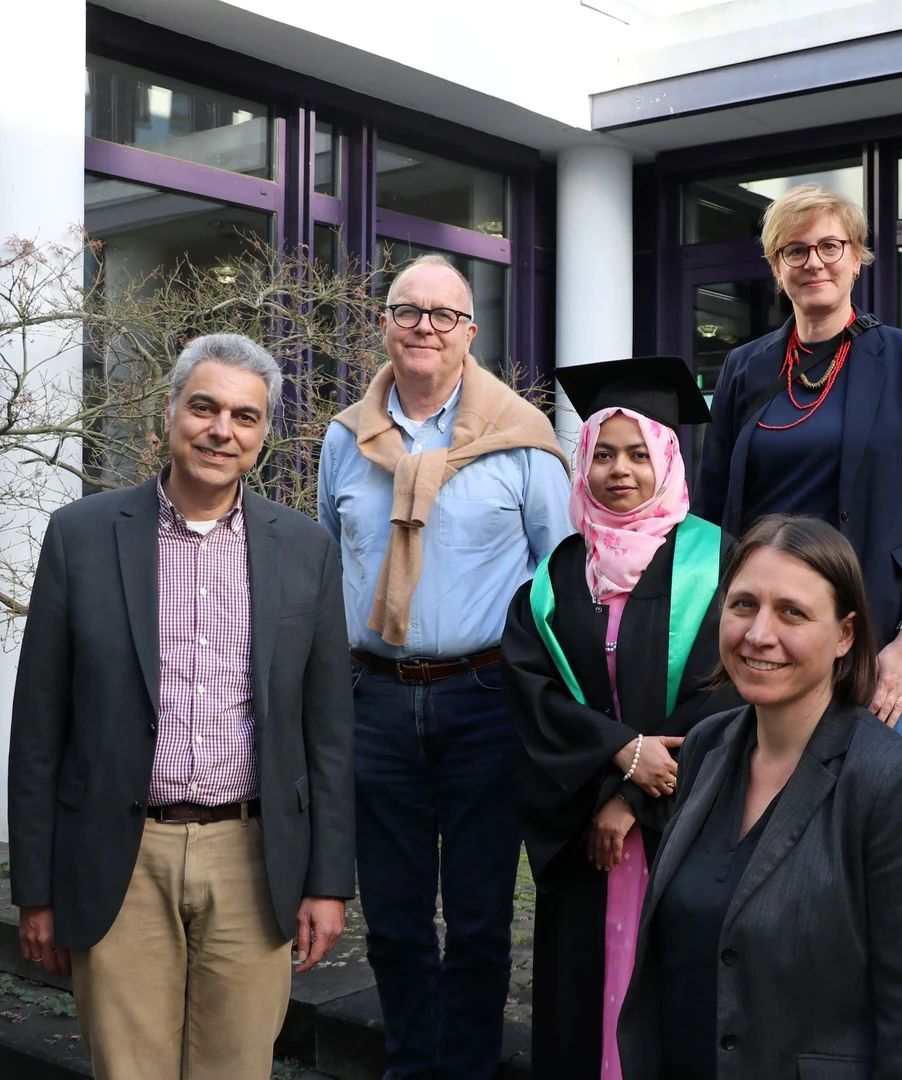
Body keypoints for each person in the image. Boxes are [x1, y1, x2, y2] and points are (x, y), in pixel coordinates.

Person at [8, 333, 355, 1080]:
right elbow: (38, 730)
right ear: (169, 415)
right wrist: (35, 889)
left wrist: (328, 881)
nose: (220, 430)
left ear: (264, 434)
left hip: (253, 857)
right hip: (120, 856)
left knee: (237, 1069)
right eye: (203, 407)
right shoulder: (82, 537)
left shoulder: (306, 548)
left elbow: (329, 733)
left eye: (244, 416)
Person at [317, 253, 572, 1080]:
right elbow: (327, 565)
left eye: (444, 315)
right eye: (408, 310)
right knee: (390, 916)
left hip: (485, 703)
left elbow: (559, 581)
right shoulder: (343, 439)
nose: (424, 326)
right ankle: (411, 1067)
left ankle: (464, 1070)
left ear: (470, 333)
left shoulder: (522, 443)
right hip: (376, 699)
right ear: (384, 324)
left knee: (478, 917)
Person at [617, 514, 902, 1079]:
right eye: (743, 605)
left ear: (845, 635)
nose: (759, 634)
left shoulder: (896, 785)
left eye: (792, 613)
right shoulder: (707, 747)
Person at [502, 355, 738, 1079]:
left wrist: (634, 797)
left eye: (639, 453)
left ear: (668, 459)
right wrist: (617, 762)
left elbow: (727, 689)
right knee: (580, 1005)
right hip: (583, 824)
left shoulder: (716, 561)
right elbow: (533, 690)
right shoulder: (558, 573)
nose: (619, 470)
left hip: (681, 818)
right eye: (602, 453)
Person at [694, 183, 902, 794]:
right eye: (794, 251)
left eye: (829, 246)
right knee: (777, 819)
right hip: (778, 634)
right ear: (776, 268)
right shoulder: (745, 366)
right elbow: (712, 511)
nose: (813, 261)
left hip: (882, 632)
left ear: (857, 257)